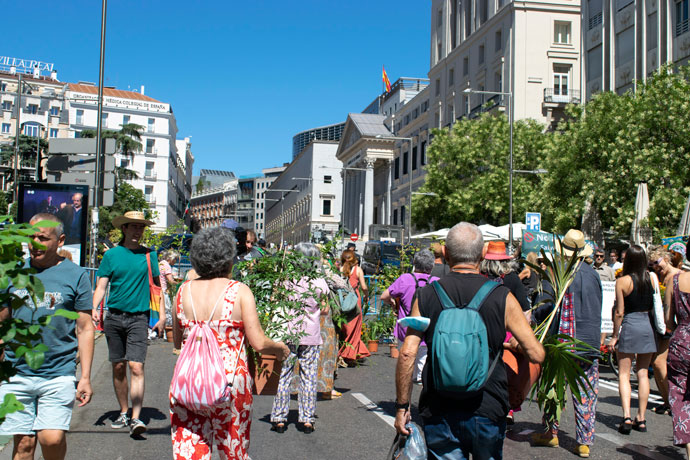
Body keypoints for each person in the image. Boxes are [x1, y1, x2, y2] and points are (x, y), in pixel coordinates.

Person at [394, 222, 544, 460]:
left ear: (445, 253)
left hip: (439, 408)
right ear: (483, 253)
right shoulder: (501, 296)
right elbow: (536, 354)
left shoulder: (426, 296)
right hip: (488, 407)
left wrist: (403, 407)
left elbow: (407, 353)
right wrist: (512, 345)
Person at [170, 227, 289, 459]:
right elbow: (258, 343)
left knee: (190, 449)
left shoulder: (182, 292)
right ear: (229, 257)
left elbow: (177, 340)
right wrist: (279, 347)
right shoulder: (239, 291)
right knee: (233, 449)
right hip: (229, 382)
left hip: (190, 381)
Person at [0, 213, 94, 460]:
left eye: (43, 238)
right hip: (16, 372)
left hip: (58, 372)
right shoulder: (13, 273)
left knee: (51, 439)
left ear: (60, 240)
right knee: (23, 446)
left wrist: (84, 377)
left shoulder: (76, 275)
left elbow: (85, 328)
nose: (35, 243)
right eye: (31, 237)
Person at [92, 211, 166, 436]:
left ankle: (135, 417)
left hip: (139, 318)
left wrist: (161, 316)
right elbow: (102, 285)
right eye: (133, 227)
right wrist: (94, 307)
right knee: (118, 366)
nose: (137, 231)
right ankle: (123, 410)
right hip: (114, 317)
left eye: (141, 227)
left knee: (136, 366)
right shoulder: (112, 255)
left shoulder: (149, 255)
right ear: (124, 229)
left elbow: (157, 288)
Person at [532, 229, 602, 458]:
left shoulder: (561, 273)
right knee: (585, 392)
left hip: (564, 341)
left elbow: (549, 307)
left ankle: (550, 432)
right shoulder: (593, 275)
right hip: (589, 341)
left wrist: (533, 317)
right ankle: (584, 442)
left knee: (554, 386)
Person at [271, 242, 330, 434]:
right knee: (309, 376)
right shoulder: (320, 282)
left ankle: (280, 417)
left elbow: (274, 300)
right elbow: (325, 309)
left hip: (289, 333)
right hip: (311, 334)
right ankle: (307, 418)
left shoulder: (286, 280)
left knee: (284, 375)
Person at [608, 245, 657, 434]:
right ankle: (642, 418)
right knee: (643, 373)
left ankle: (627, 416)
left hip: (630, 324)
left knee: (623, 374)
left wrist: (614, 336)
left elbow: (619, 312)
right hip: (647, 325)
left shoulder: (622, 281)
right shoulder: (651, 280)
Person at [381, 249, 439, 382]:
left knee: (406, 363)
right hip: (428, 328)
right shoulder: (437, 282)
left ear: (414, 263)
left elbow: (384, 296)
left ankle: (404, 395)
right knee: (424, 363)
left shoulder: (405, 278)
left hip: (407, 329)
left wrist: (391, 302)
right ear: (432, 266)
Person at [648, 246, 679, 415]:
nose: (656, 266)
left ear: (666, 258)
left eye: (657, 262)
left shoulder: (676, 276)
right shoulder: (662, 277)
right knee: (656, 363)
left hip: (672, 326)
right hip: (662, 326)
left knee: (659, 363)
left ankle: (672, 402)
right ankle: (667, 401)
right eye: (653, 264)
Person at [666, 247, 690, 458]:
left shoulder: (675, 280)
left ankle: (687, 439)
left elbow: (668, 319)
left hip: (681, 340)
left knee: (679, 391)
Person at [338, 249, 370, 365]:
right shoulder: (358, 270)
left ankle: (347, 352)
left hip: (343, 299)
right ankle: (348, 354)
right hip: (355, 299)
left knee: (345, 327)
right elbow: (364, 286)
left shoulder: (340, 269)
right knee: (355, 328)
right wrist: (366, 296)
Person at [479, 241, 531, 313]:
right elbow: (525, 308)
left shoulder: (478, 276)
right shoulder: (512, 277)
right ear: (505, 261)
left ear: (485, 260)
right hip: (505, 320)